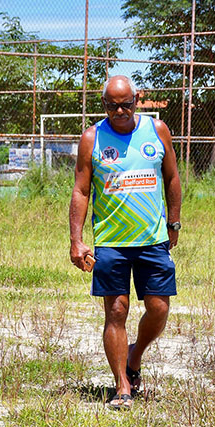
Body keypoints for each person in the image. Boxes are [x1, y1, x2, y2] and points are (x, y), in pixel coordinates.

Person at [69, 75, 182, 410]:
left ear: (138, 99)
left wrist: (173, 221)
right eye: (111, 105)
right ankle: (122, 386)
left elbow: (172, 177)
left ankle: (135, 356)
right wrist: (77, 240)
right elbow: (81, 190)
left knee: (159, 308)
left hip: (152, 238)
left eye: (125, 104)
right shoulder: (92, 137)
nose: (119, 111)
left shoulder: (157, 130)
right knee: (116, 311)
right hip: (111, 241)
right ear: (103, 104)